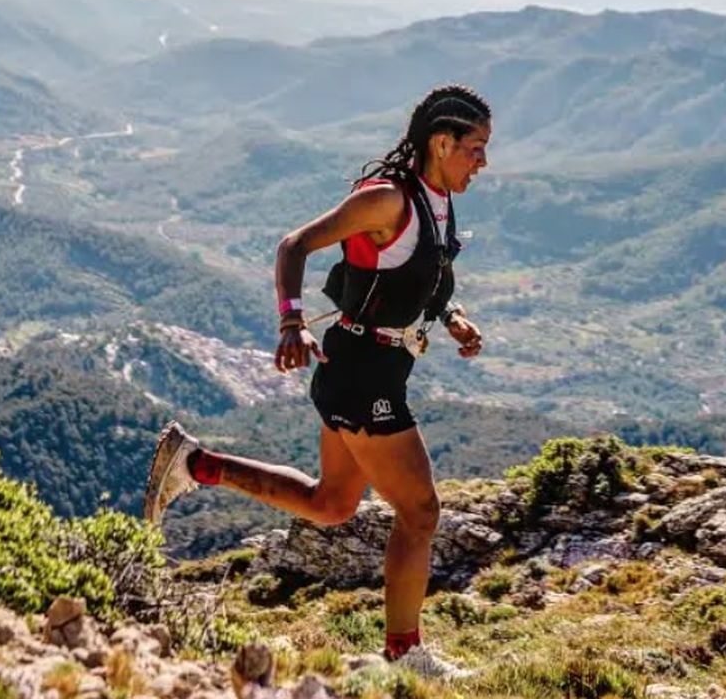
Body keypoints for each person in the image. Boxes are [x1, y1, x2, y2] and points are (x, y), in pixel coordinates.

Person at [141, 85, 492, 679]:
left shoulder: (439, 199)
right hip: (361, 375)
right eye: (476, 148)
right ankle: (406, 657)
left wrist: (451, 319)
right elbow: (294, 244)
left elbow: (424, 271)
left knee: (331, 505)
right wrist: (290, 322)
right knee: (421, 513)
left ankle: (197, 464)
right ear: (442, 142)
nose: (483, 161)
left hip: (370, 368)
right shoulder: (387, 201)